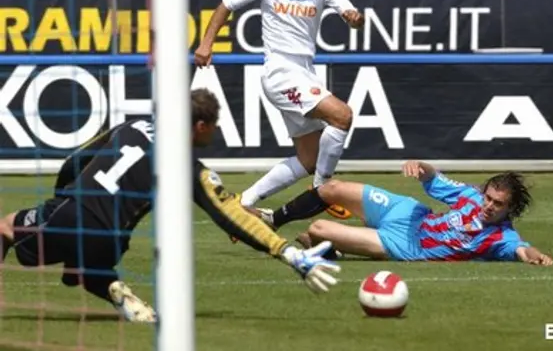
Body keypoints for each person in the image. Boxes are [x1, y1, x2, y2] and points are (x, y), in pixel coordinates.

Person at [0, 89, 340, 323]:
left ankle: (86, 270)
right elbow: (231, 216)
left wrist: (61, 197)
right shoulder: (193, 169)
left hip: (72, 216)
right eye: (214, 124)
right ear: (201, 126)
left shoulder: (129, 126)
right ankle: (118, 291)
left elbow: (77, 160)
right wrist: (286, 251)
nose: (215, 130)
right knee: (86, 274)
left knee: (5, 227)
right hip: (113, 240)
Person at [194, 0, 364, 220]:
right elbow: (226, 4)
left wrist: (354, 19)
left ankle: (243, 202)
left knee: (309, 159)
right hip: (280, 73)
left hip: (305, 74)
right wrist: (206, 42)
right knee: (342, 116)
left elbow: (352, 15)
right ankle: (322, 191)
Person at [256, 161, 553, 265]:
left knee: (318, 229)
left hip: (407, 246)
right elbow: (433, 179)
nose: (488, 205)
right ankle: (272, 220)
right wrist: (422, 166)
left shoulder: (502, 237)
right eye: (488, 198)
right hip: (409, 214)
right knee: (332, 188)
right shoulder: (470, 195)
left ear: (511, 209)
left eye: (497, 204)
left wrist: (538, 257)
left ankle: (334, 251)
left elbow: (523, 251)